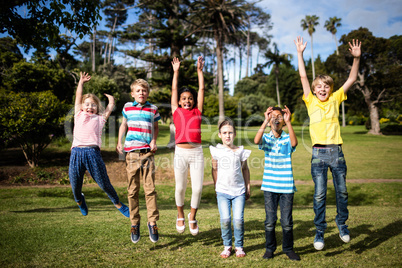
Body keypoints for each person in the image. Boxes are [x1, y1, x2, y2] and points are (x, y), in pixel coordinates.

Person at [294, 36, 361, 250]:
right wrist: (300, 54)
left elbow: (351, 79)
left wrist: (356, 59)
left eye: (326, 87)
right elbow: (303, 76)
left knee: (341, 191)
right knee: (320, 193)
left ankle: (341, 224)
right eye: (319, 87)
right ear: (314, 91)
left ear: (330, 89)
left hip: (336, 152)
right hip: (318, 155)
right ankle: (320, 231)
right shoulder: (310, 100)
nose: (322, 90)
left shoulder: (336, 98)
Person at [69, 72, 129, 218]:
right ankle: (79, 200)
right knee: (75, 184)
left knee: (103, 183)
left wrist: (112, 102)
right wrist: (81, 83)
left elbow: (109, 109)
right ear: (82, 106)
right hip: (77, 153)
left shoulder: (100, 119)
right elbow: (78, 96)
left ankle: (118, 203)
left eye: (93, 105)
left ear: (97, 108)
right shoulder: (78, 114)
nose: (90, 107)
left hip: (93, 153)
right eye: (87, 104)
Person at [116, 78, 160, 243]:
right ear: (133, 93)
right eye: (138, 91)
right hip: (131, 153)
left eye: (144, 91)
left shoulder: (153, 109)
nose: (142, 93)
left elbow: (155, 127)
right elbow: (123, 125)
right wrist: (119, 142)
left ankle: (152, 222)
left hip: (147, 152)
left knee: (150, 189)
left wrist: (154, 141)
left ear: (147, 93)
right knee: (132, 190)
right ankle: (134, 223)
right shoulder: (127, 107)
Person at [254, 106, 300, 261]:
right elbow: (256, 140)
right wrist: (265, 120)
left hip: (286, 187)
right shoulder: (266, 138)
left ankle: (288, 249)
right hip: (269, 186)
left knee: (287, 222)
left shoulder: (287, 138)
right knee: (270, 221)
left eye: (279, 116)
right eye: (273, 116)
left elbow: (294, 143)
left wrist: (288, 121)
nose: (276, 118)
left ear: (284, 120)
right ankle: (269, 249)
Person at [171, 56, 205, 236]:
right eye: (184, 98)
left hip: (197, 153)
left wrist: (200, 72)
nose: (187, 100)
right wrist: (176, 72)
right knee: (180, 187)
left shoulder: (197, 111)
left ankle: (192, 216)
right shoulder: (176, 111)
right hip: (180, 153)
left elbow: (201, 88)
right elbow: (174, 89)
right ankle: (180, 215)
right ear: (179, 101)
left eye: (190, 98)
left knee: (198, 188)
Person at [210, 119, 251, 258]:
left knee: (238, 219)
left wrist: (248, 186)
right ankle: (227, 246)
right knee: (225, 219)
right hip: (222, 191)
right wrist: (216, 186)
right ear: (220, 135)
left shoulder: (240, 151)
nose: (228, 135)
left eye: (230, 132)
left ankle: (239, 246)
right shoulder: (216, 151)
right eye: (225, 133)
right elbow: (214, 169)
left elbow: (245, 170)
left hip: (239, 191)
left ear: (235, 134)